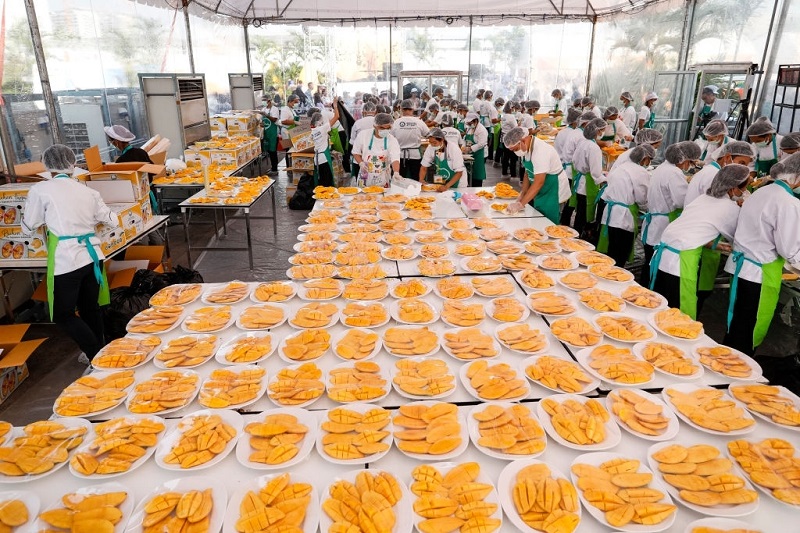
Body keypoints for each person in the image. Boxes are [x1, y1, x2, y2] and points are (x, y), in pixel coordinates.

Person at [22, 145, 118, 363]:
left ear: (46, 165)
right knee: (89, 309)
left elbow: (29, 225)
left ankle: (96, 357)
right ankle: (99, 353)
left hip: (67, 261)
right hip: (93, 256)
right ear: (72, 164)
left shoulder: (41, 189)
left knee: (62, 314)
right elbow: (112, 219)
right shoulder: (87, 190)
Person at [724, 154, 800, 355]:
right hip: (759, 275)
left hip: (741, 267)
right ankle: (736, 373)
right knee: (750, 329)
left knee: (738, 322)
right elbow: (789, 249)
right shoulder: (788, 203)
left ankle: (724, 362)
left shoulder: (760, 192)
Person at [650, 164, 749, 319]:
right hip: (680, 261)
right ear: (733, 188)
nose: (743, 193)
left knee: (658, 304)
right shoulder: (729, 208)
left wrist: (712, 244)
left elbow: (693, 228)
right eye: (743, 189)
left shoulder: (703, 198)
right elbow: (739, 240)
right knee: (678, 313)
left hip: (664, 254)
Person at [640, 141, 701, 287]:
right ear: (683, 159)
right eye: (690, 162)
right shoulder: (674, 173)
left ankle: (644, 287)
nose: (690, 166)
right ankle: (650, 292)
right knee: (655, 264)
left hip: (654, 220)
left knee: (649, 261)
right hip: (662, 223)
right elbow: (681, 201)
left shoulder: (663, 168)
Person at [596, 145, 654, 267]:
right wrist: (647, 208)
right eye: (650, 159)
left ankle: (606, 272)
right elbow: (642, 197)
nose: (649, 163)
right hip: (623, 215)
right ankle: (615, 276)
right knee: (620, 252)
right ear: (645, 158)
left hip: (610, 212)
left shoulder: (620, 167)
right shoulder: (640, 172)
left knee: (611, 248)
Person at [503, 126, 565, 223]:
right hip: (542, 188)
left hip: (553, 188)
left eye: (515, 149)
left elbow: (539, 182)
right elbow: (528, 172)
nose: (515, 153)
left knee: (548, 222)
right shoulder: (526, 149)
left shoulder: (540, 152)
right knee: (539, 218)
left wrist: (521, 204)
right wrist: (522, 194)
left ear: (523, 140)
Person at [570, 118, 608, 235]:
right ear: (597, 132)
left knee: (580, 211)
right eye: (602, 130)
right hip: (588, 184)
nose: (603, 133)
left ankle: (576, 233)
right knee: (586, 212)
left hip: (580, 181)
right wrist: (605, 179)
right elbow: (595, 172)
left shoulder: (582, 143)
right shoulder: (594, 148)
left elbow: (574, 161)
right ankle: (582, 236)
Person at [685, 141, 754, 206]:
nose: (743, 168)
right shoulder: (714, 175)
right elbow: (716, 203)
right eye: (741, 163)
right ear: (727, 157)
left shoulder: (713, 171)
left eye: (746, 165)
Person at [352, 113, 401, 188]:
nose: (385, 130)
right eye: (381, 128)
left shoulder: (392, 140)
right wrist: (361, 163)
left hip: (383, 176)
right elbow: (356, 152)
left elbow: (395, 158)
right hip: (366, 174)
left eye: (387, 128)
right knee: (364, 197)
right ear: (374, 126)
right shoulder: (363, 135)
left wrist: (396, 172)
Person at [419, 128, 466, 192]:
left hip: (457, 183)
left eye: (435, 143)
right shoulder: (430, 148)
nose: (432, 145)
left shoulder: (453, 149)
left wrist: (446, 186)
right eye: (430, 142)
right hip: (442, 181)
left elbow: (459, 172)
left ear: (442, 140)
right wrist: (421, 180)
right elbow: (424, 167)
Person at [392, 100, 429, 181]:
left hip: (400, 156)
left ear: (401, 109)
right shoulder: (419, 122)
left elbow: (391, 138)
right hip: (415, 155)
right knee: (416, 180)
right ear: (413, 109)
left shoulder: (396, 122)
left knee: (400, 181)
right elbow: (428, 134)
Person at [309, 102, 341, 188]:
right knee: (327, 182)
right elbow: (337, 116)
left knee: (320, 181)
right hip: (324, 159)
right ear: (319, 121)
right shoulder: (322, 129)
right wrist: (335, 106)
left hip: (316, 159)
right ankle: (325, 198)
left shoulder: (312, 131)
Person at [349, 102, 377, 176]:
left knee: (361, 183)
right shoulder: (378, 122)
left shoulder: (357, 123)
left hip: (359, 160)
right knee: (376, 183)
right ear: (375, 111)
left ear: (363, 112)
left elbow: (352, 142)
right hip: (376, 159)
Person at [461, 112, 488, 187]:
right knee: (469, 174)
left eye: (470, 123)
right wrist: (463, 147)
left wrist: (470, 148)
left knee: (477, 174)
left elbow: (482, 143)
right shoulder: (470, 128)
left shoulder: (482, 130)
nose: (469, 125)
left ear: (476, 121)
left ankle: (476, 189)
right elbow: (465, 139)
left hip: (479, 154)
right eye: (468, 123)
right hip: (470, 154)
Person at [257, 94, 280, 175]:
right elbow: (263, 121)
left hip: (273, 134)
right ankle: (272, 167)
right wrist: (261, 124)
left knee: (273, 151)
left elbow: (274, 120)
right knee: (269, 151)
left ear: (269, 101)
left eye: (264, 100)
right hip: (266, 133)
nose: (263, 102)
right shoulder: (263, 109)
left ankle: (275, 169)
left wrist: (266, 115)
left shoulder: (274, 109)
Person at [500, 101, 519, 178]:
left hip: (504, 138)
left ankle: (504, 173)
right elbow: (516, 128)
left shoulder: (504, 116)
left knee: (506, 156)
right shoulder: (511, 117)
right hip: (511, 139)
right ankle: (513, 175)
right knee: (513, 157)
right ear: (511, 108)